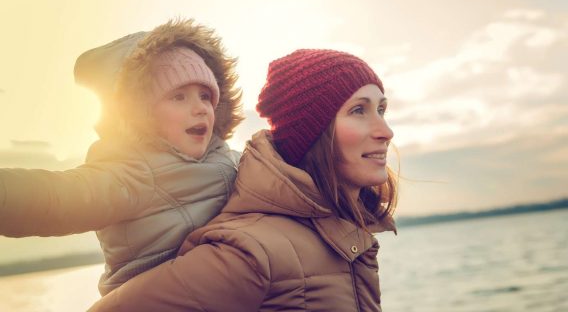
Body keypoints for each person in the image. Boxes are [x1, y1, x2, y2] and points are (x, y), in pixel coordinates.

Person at [89, 48, 398, 311]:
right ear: (312, 133)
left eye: (381, 109)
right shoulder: (252, 251)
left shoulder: (346, 235)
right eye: (359, 110)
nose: (386, 131)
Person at [0, 18, 243, 296]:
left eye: (204, 95)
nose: (200, 108)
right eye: (179, 97)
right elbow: (56, 198)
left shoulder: (230, 159)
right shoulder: (132, 172)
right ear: (143, 114)